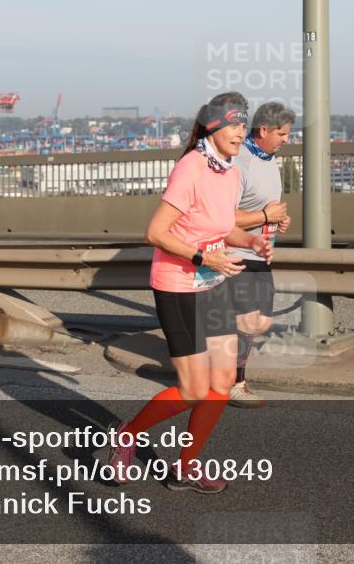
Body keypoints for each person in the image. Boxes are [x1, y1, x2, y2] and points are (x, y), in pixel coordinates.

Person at [106, 92, 273, 494]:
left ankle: (186, 465)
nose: (240, 131)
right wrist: (203, 258)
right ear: (213, 126)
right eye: (233, 123)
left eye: (243, 124)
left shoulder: (230, 171)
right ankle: (127, 434)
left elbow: (219, 225)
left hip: (213, 286)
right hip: (178, 287)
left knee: (222, 382)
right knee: (194, 389)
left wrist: (249, 242)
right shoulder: (191, 167)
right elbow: (156, 233)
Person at [227, 102, 294, 407]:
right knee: (246, 321)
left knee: (259, 322)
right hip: (236, 253)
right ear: (263, 130)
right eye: (282, 133)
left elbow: (265, 208)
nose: (286, 139)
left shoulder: (268, 159)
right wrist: (266, 216)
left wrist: (278, 219)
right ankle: (234, 383)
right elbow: (225, 217)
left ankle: (223, 373)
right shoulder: (241, 161)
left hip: (262, 253)